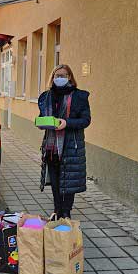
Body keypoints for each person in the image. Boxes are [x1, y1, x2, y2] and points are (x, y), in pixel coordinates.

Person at [38, 64, 91, 219]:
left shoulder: (79, 96)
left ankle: (66, 212)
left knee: (69, 182)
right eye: (57, 75)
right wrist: (42, 123)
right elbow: (42, 116)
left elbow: (86, 120)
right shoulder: (46, 97)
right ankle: (57, 210)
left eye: (63, 75)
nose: (59, 78)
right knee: (55, 182)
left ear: (70, 77)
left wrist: (67, 123)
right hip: (52, 147)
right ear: (52, 78)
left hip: (70, 147)